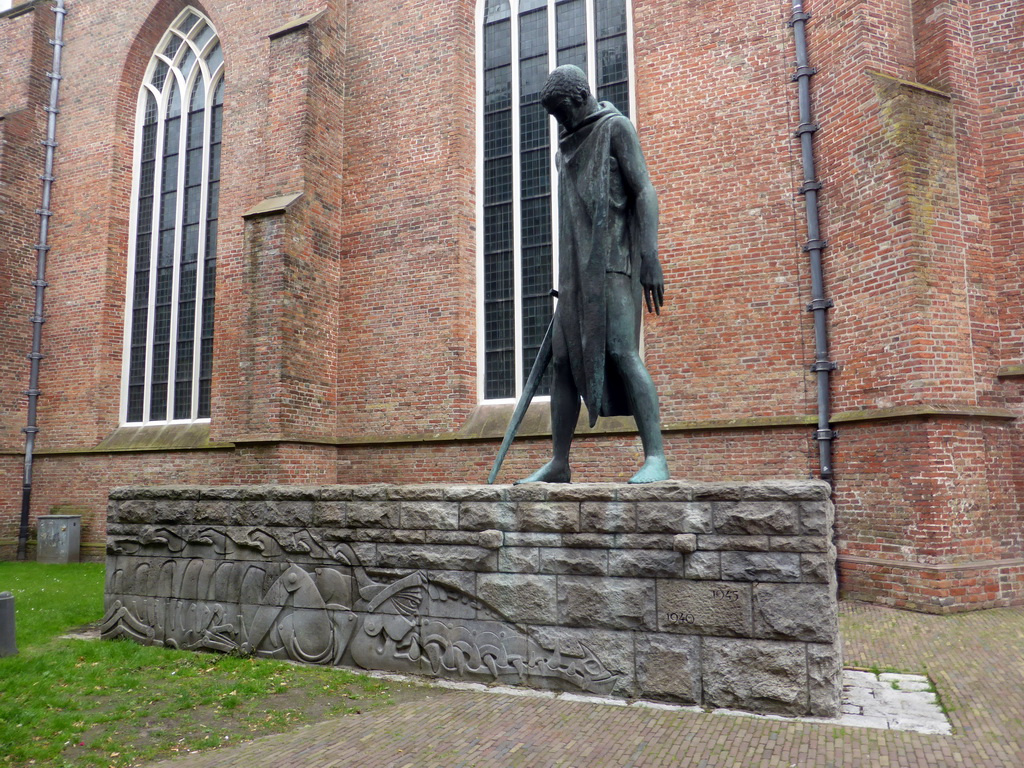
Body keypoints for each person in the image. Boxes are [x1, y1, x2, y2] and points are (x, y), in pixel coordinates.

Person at [518, 65, 669, 484]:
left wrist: (649, 255)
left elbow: (644, 191)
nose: (560, 122)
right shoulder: (565, 145)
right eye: (554, 116)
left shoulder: (615, 128)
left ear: (580, 96)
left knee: (622, 353)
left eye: (562, 111)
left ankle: (656, 457)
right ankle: (559, 462)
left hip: (614, 262)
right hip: (574, 275)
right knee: (562, 364)